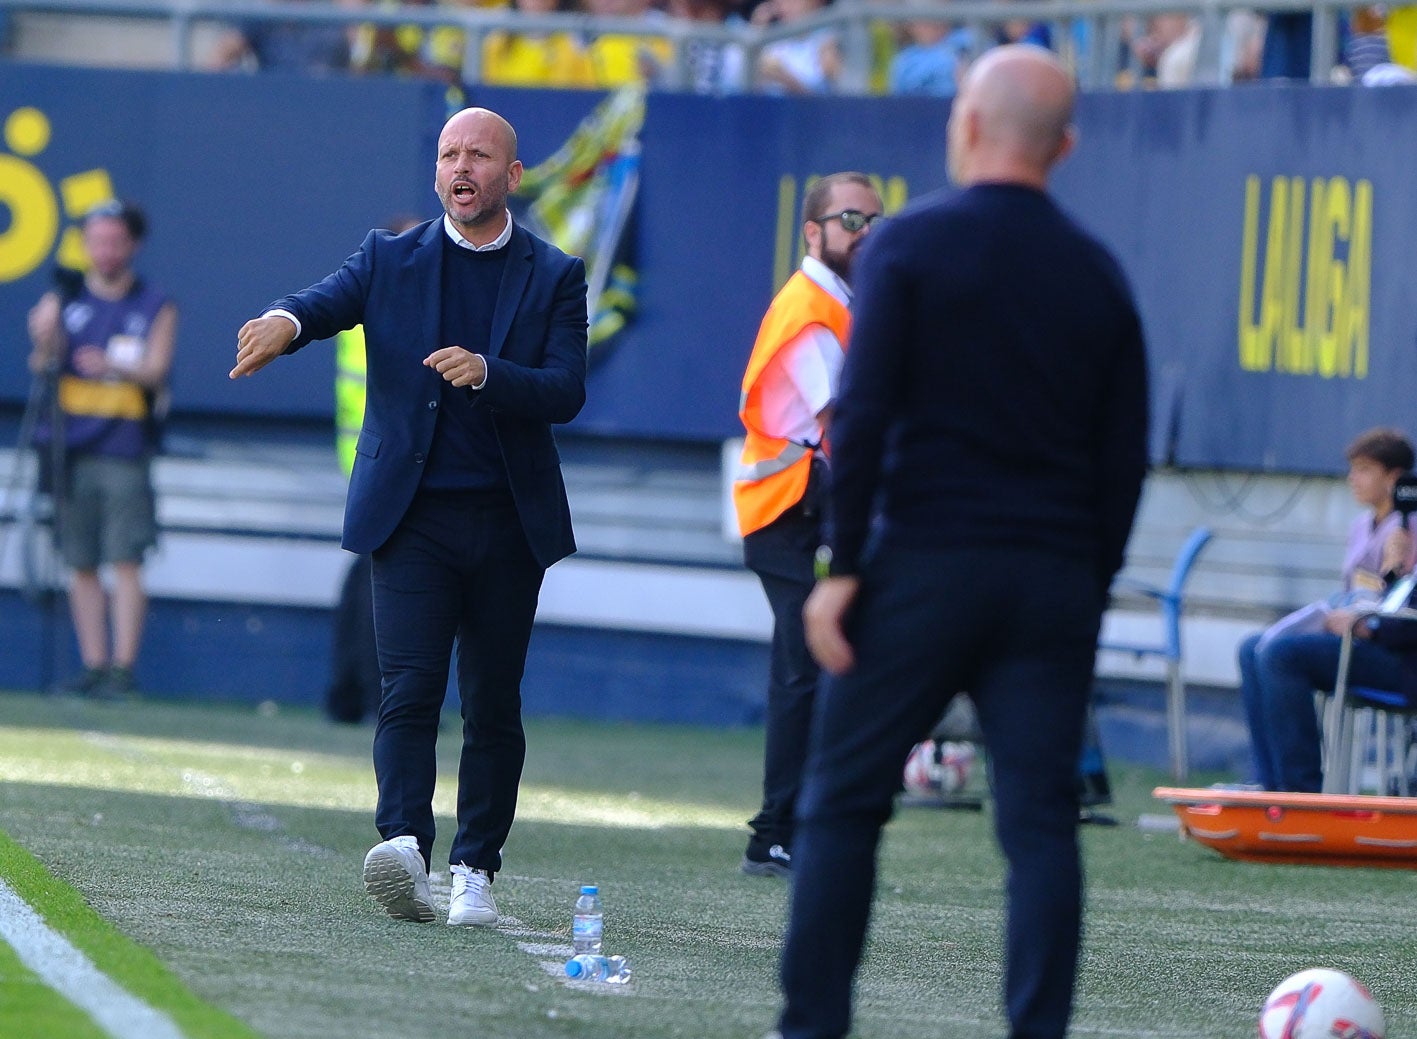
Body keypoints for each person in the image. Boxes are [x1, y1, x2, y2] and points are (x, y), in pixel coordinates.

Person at [774, 44, 1149, 1039]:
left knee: (843, 806)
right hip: (1050, 582)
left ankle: (810, 1026)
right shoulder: (1097, 273)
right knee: (1037, 829)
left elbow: (861, 418)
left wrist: (840, 568)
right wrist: (1088, 582)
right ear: (1064, 145)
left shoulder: (908, 248)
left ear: (966, 126)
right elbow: (1123, 459)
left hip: (917, 569)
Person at [230, 107, 588, 928]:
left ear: (511, 175)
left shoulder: (554, 272)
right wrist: (283, 325)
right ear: (436, 172)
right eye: (448, 154)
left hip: (506, 522)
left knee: (492, 701)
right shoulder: (389, 256)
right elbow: (320, 304)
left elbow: (566, 388)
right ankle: (404, 846)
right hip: (412, 519)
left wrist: (489, 371)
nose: (461, 167)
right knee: (409, 690)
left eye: (479, 155)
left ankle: (476, 868)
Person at [733, 172, 884, 879]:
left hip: (804, 508)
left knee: (816, 667)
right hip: (788, 512)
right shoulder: (810, 310)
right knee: (803, 671)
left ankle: (796, 826)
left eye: (874, 220)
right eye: (851, 217)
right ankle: (774, 835)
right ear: (813, 232)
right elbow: (842, 428)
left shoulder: (840, 305)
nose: (865, 231)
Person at [26, 199, 178, 701]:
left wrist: (115, 365)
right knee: (80, 561)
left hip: (124, 448)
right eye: (96, 241)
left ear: (132, 245)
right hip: (70, 448)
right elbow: (41, 364)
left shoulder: (153, 304)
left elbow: (156, 370)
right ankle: (92, 664)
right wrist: (45, 332)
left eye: (114, 241)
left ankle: (122, 670)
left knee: (125, 558)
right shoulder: (66, 301)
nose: (104, 251)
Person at [1239, 427, 1416, 792]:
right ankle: (1267, 782)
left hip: (1399, 656)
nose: (1353, 479)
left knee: (1282, 655)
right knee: (1252, 647)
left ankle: (1298, 792)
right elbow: (1368, 592)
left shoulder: (1411, 529)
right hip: (1362, 637)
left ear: (1394, 478)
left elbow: (1402, 608)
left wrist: (1374, 626)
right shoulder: (1361, 528)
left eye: (1365, 469)